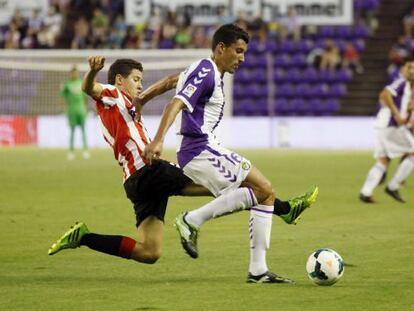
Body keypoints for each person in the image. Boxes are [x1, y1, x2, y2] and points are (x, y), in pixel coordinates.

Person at [48, 56, 297, 267]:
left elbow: (168, 85)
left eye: (141, 81)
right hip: (147, 172)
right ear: (119, 80)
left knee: (149, 252)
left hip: (136, 182)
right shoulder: (113, 95)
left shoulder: (129, 108)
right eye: (136, 80)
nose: (139, 85)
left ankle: (84, 237)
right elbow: (89, 88)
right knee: (226, 184)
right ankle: (283, 208)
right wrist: (93, 71)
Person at [142, 24, 318, 283]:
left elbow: (171, 82)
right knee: (264, 189)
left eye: (244, 52)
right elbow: (175, 102)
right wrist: (158, 139)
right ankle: (192, 220)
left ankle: (258, 270)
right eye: (238, 51)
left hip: (203, 149)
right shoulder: (206, 70)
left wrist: (141, 99)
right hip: (199, 148)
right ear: (221, 48)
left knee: (265, 195)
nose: (242, 58)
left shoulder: (204, 71)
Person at [360, 58, 414, 204]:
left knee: (384, 160)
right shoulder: (401, 82)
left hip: (384, 126)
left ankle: (365, 192)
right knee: (412, 152)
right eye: (409, 67)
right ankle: (393, 186)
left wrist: (407, 109)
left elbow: (404, 105)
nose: (411, 70)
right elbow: (384, 94)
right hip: (391, 126)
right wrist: (396, 114)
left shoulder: (408, 87)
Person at [60, 65, 89, 160]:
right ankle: (71, 151)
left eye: (76, 72)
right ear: (70, 74)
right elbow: (63, 97)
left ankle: (85, 151)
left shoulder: (81, 83)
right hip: (71, 111)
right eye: (73, 72)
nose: (74, 74)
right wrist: (65, 109)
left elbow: (85, 98)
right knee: (72, 131)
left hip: (81, 110)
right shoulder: (67, 84)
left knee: (83, 131)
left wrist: (85, 109)